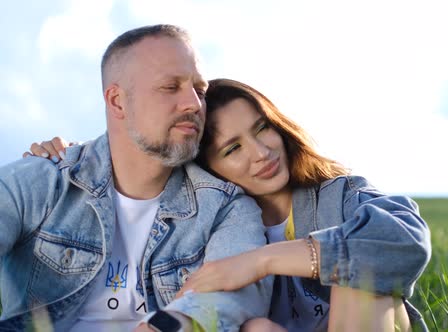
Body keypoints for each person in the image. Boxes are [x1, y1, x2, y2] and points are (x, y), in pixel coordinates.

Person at [28, 78, 431, 331]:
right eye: (233, 148)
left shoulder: (339, 195)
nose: (261, 153)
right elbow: (141, 165)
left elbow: (403, 240)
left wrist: (261, 261)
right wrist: (74, 158)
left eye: (262, 129)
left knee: (358, 271)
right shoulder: (214, 223)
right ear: (208, 168)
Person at [1, 25, 272, 331]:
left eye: (199, 91)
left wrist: (168, 324)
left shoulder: (224, 206)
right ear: (117, 101)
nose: (194, 105)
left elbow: (237, 292)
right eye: (171, 87)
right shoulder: (46, 180)